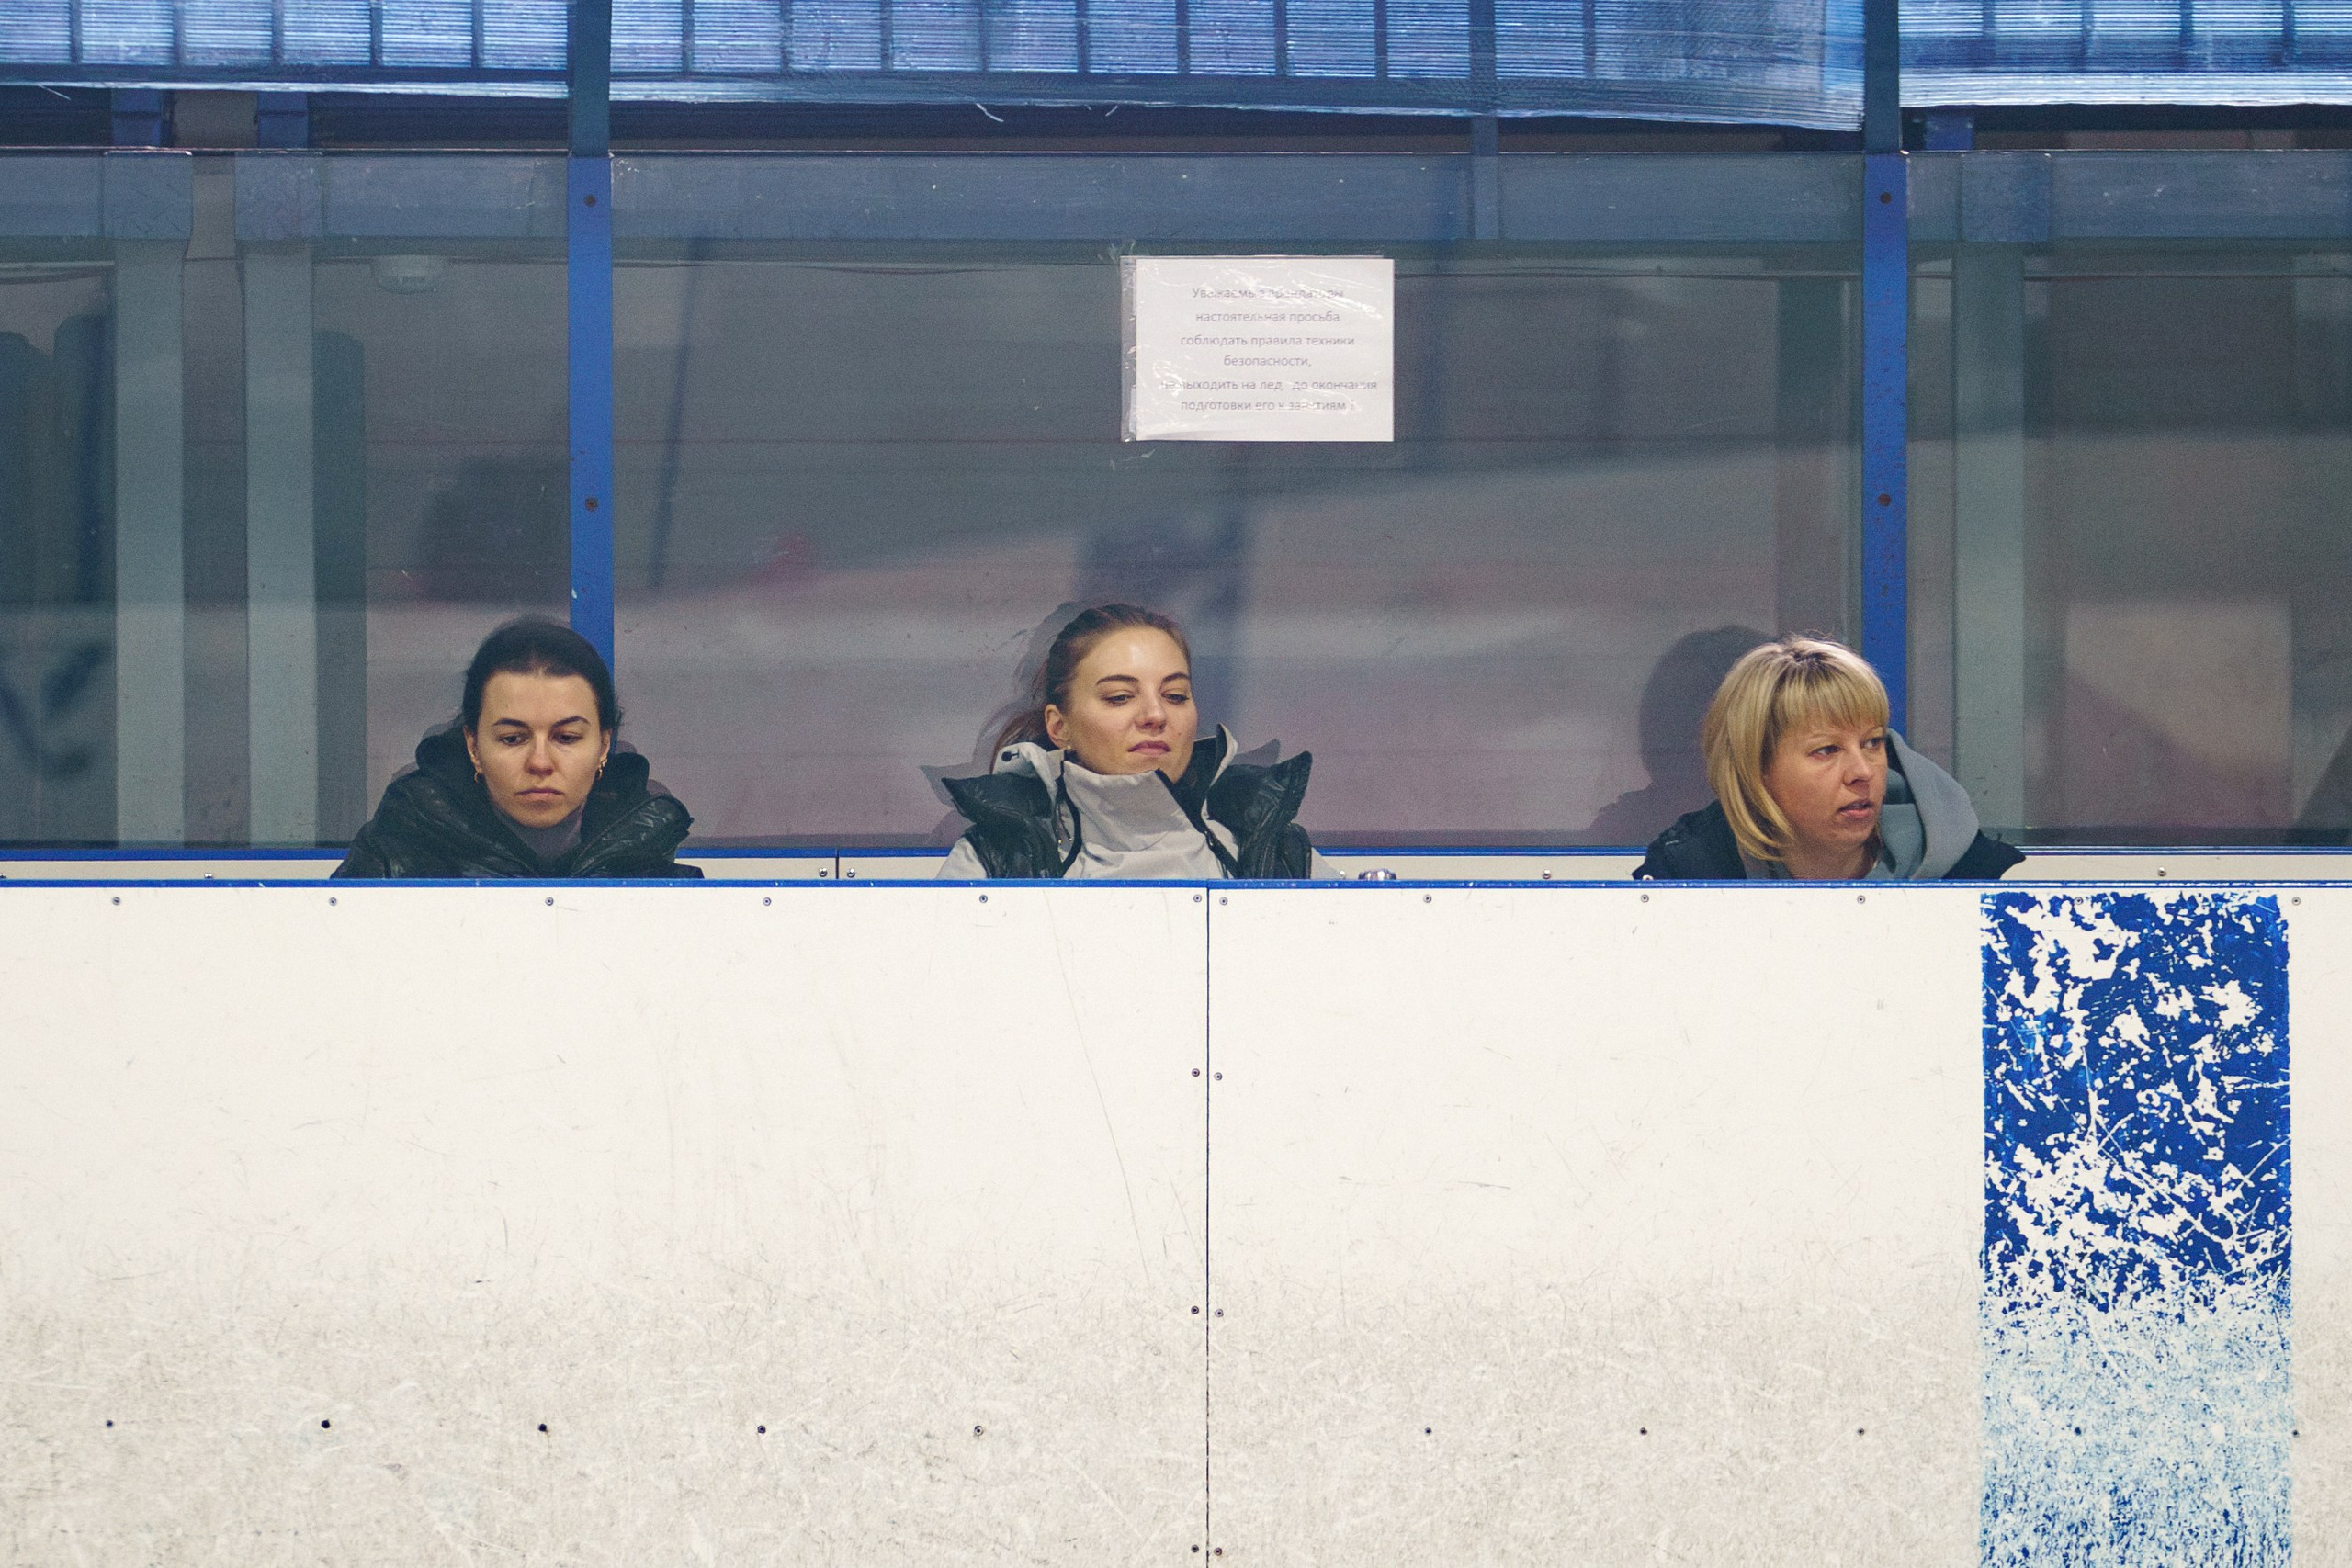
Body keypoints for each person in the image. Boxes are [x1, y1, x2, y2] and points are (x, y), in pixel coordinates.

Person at [938, 603, 1331, 879]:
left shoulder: (1277, 853)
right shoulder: (996, 861)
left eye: (1175, 696)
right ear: (1060, 728)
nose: (1156, 715)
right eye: (1119, 698)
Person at [335, 618, 702, 879]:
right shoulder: (394, 858)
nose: (540, 763)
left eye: (566, 738)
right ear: (473, 746)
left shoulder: (646, 854)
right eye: (512, 739)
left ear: (604, 745)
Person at [1635, 635, 2021, 881]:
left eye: (1872, 743)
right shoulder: (1688, 873)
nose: (1862, 772)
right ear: (1757, 769)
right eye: (1827, 750)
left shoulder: (1971, 874)